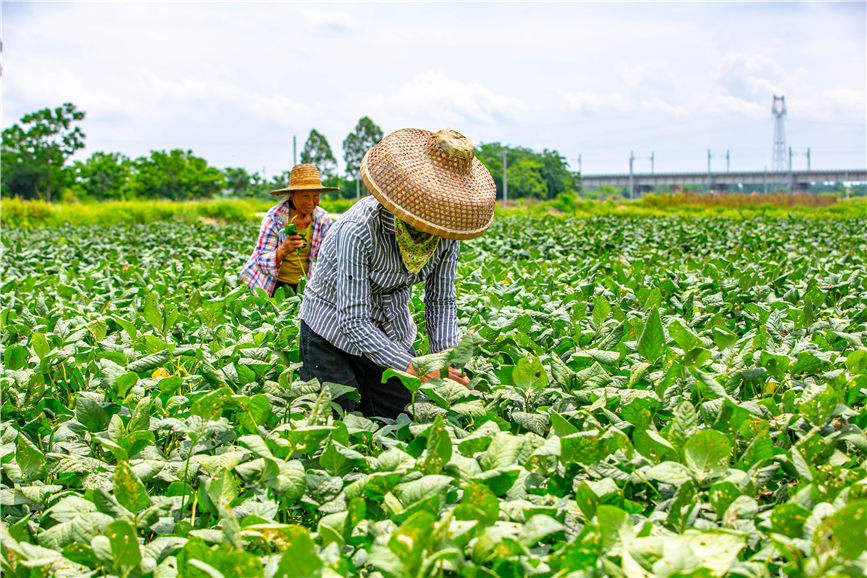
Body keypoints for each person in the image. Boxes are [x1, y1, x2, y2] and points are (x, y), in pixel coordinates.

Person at [298, 128, 497, 418]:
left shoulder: (446, 232)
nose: (438, 218)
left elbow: (440, 301)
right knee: (339, 420)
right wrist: (413, 368)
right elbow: (353, 321)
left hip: (389, 334)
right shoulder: (359, 229)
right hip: (330, 335)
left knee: (404, 416)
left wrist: (446, 362)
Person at [239, 164, 336, 296]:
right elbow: (261, 261)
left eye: (316, 196)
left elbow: (327, 259)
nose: (311, 202)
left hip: (304, 286)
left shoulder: (322, 219)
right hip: (269, 284)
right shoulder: (275, 217)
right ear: (292, 195)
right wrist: (283, 250)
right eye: (306, 196)